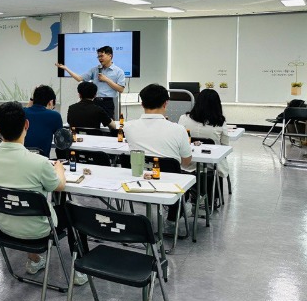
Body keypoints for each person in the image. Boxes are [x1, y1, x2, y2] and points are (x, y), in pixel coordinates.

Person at [0, 101, 88, 285]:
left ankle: (35, 260)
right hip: (39, 230)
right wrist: (59, 169)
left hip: (3, 226)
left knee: (21, 201)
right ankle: (80, 270)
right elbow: (59, 186)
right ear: (26, 125)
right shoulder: (39, 162)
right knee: (75, 214)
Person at [123, 84, 193, 232]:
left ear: (141, 103)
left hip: (137, 181)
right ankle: (174, 216)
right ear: (165, 103)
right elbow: (186, 162)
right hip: (170, 184)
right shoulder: (178, 129)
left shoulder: (128, 127)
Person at [55, 45, 126, 119]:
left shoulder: (119, 71)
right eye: (98, 57)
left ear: (110, 55)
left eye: (102, 56)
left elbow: (121, 89)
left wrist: (106, 80)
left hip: (107, 102)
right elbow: (79, 78)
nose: (100, 59)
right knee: (92, 123)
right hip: (94, 102)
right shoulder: (95, 70)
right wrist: (66, 68)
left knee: (107, 125)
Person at [178, 89, 229, 177]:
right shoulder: (220, 123)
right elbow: (225, 146)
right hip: (211, 166)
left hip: (186, 164)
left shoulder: (183, 118)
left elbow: (178, 140)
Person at [24, 85, 63, 157]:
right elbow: (61, 143)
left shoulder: (22, 113)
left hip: (22, 158)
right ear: (50, 102)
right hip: (42, 160)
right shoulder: (55, 116)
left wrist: (32, 99)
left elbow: (24, 110)